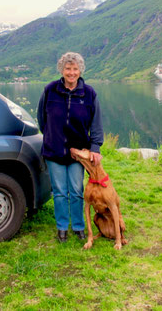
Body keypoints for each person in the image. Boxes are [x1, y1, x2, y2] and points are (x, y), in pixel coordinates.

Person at [37, 52, 103, 243]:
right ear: (62, 70)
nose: (71, 72)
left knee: (75, 189)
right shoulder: (50, 90)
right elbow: (42, 119)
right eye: (68, 68)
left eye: (75, 69)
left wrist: (95, 147)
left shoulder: (89, 94)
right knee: (59, 191)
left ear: (80, 70)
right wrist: (50, 136)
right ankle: (61, 228)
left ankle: (78, 227)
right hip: (54, 150)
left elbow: (96, 124)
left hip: (78, 154)